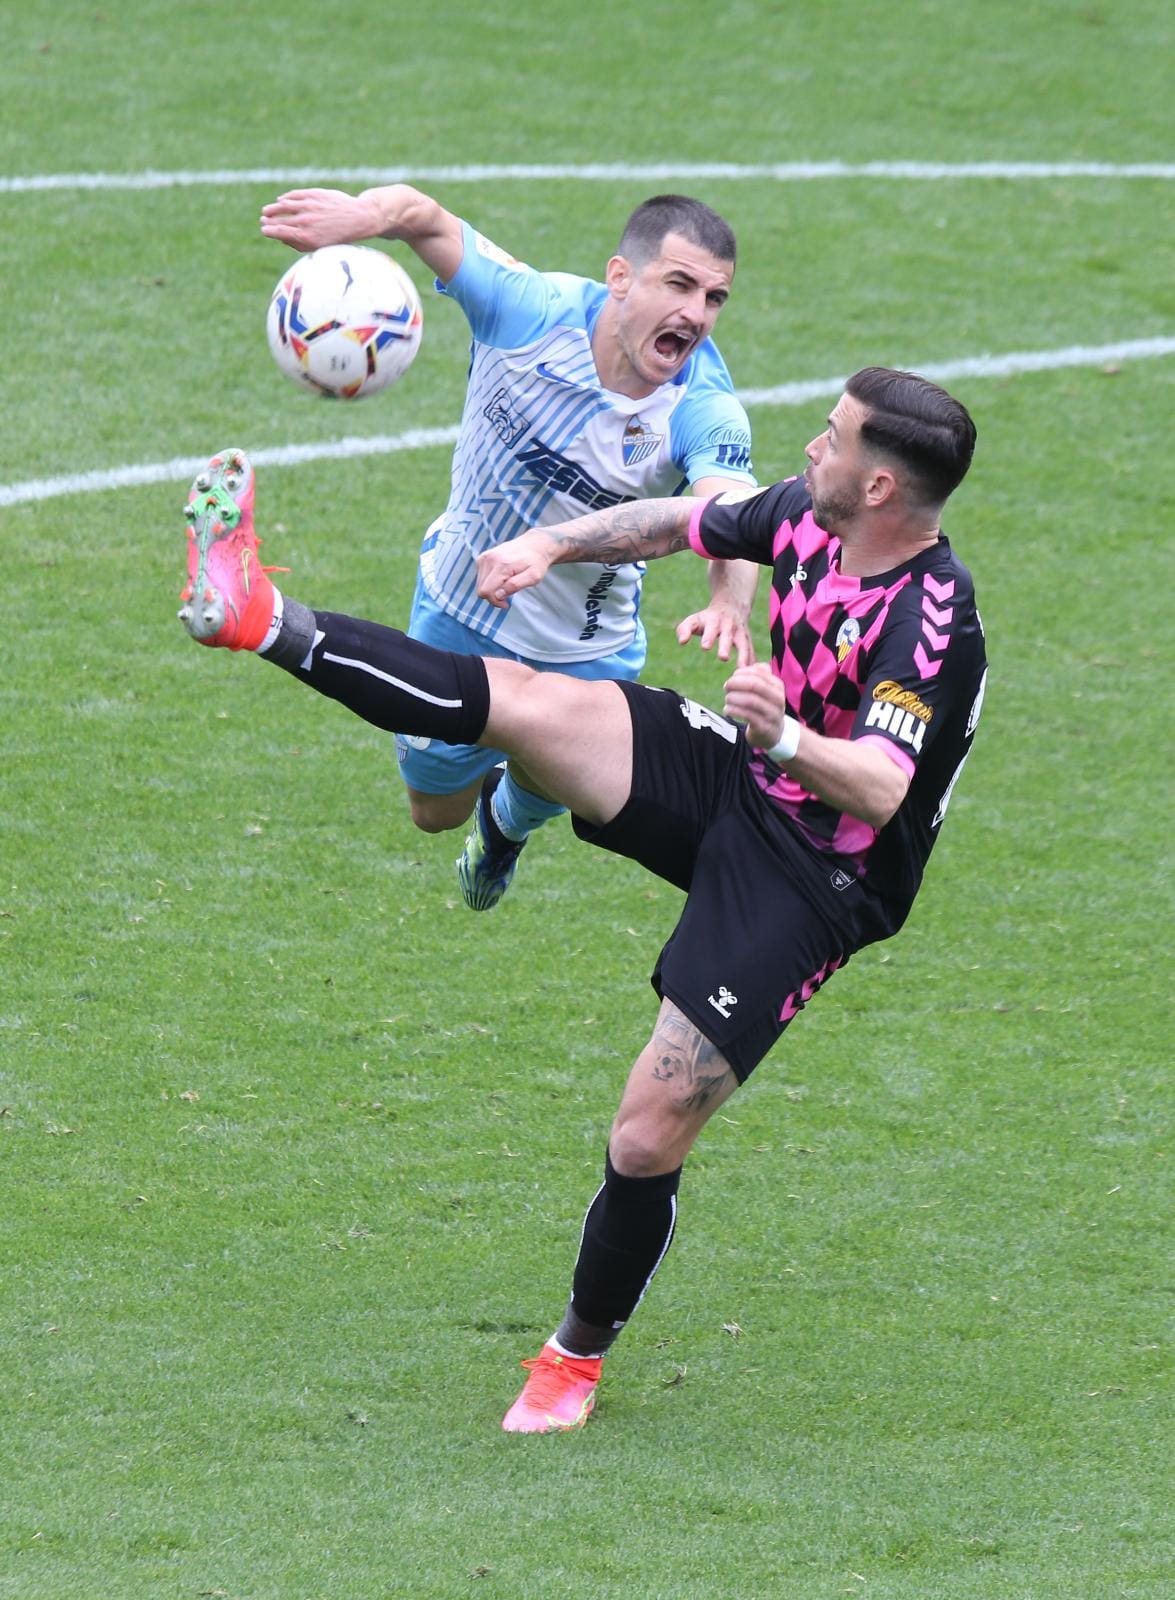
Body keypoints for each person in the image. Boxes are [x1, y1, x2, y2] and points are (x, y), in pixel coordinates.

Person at [177, 364, 986, 1433]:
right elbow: (680, 521)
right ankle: (259, 617)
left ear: (880, 487)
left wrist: (784, 733)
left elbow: (882, 792)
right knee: (521, 704)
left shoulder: (930, 619)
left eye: (831, 439)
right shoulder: (807, 517)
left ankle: (572, 1360)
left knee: (647, 1135)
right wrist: (555, 543)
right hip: (742, 779)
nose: (809, 450)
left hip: (820, 873)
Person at [259, 184, 758, 910]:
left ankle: (505, 829)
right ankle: (478, 807)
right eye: (678, 284)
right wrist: (363, 220)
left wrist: (727, 598)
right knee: (433, 813)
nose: (695, 314)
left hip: (586, 642)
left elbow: (733, 510)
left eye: (713, 298)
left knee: (553, 768)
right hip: (462, 606)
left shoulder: (702, 404)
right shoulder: (529, 311)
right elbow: (422, 214)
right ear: (621, 277)